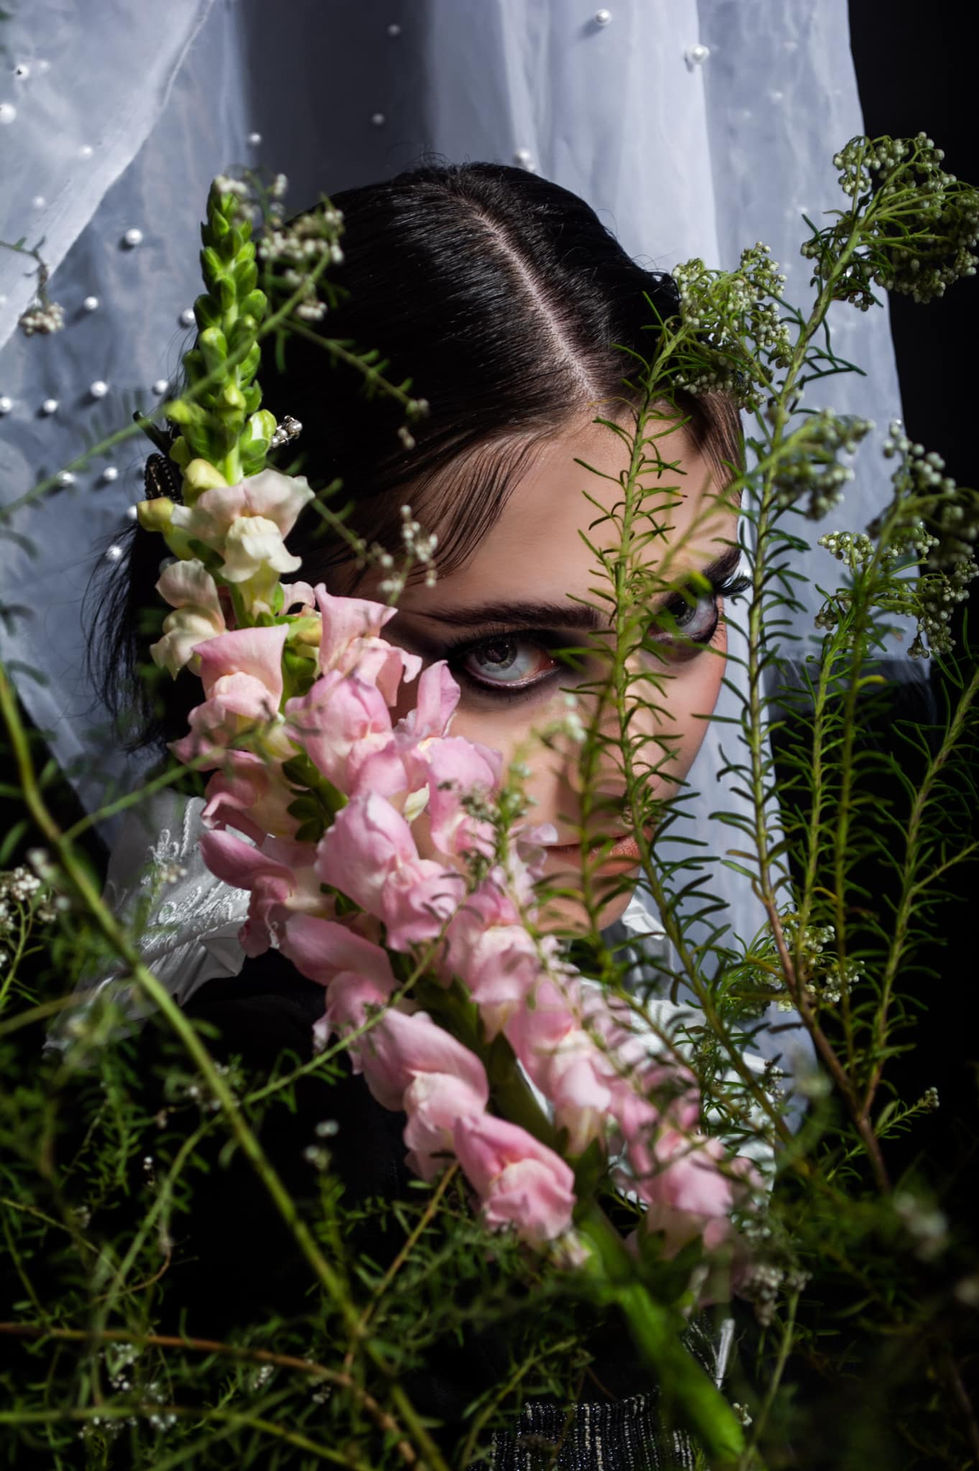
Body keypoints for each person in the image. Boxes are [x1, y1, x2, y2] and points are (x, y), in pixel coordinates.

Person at [91, 162, 748, 1467]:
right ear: (272, 654)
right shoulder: (292, 1131)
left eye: (681, 614)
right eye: (508, 656)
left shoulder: (537, 988)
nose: (630, 754)